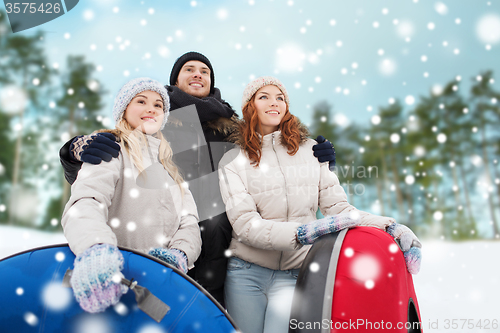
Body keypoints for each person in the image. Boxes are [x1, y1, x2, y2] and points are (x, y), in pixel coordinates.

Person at [58, 52, 337, 306]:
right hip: (164, 245)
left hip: (228, 249)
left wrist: (317, 159)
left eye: (204, 71)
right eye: (189, 69)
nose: (197, 74)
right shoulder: (158, 122)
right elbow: (99, 180)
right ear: (175, 80)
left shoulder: (235, 129)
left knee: (210, 318)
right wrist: (74, 151)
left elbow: (274, 166)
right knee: (162, 313)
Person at [218, 76, 422, 333]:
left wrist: (390, 227)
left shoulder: (311, 151)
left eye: (280, 97)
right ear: (251, 107)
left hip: (295, 273)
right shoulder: (232, 160)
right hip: (245, 273)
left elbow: (339, 209)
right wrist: (301, 233)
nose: (274, 103)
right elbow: (245, 224)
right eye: (264, 97)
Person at [61, 78, 201, 313]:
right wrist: (95, 248)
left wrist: (179, 254)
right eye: (141, 101)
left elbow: (189, 222)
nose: (151, 109)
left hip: (157, 291)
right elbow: (86, 202)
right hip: (111, 279)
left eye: (158, 105)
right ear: (124, 110)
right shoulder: (110, 150)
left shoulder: (171, 169)